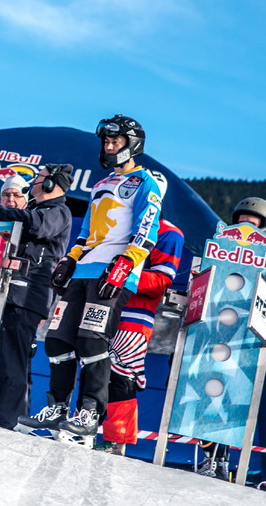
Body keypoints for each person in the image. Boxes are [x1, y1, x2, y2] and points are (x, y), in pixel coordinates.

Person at [16, 114, 162, 446]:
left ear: (132, 145)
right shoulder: (100, 184)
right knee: (56, 338)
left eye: (116, 142)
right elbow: (85, 234)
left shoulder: (144, 183)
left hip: (112, 273)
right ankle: (57, 408)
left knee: (92, 341)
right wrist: (69, 260)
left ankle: (91, 413)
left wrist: (124, 267)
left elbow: (146, 230)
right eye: (106, 142)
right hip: (83, 272)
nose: (109, 147)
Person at [195, 196, 266, 479]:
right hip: (217, 325)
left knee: (232, 394)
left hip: (246, 333)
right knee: (207, 389)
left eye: (253, 224)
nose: (245, 229)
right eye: (241, 222)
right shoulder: (224, 244)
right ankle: (211, 457)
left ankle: (221, 458)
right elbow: (207, 266)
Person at [87, 171, 183, 455]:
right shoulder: (118, 225)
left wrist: (122, 275)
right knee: (92, 366)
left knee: (121, 374)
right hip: (102, 305)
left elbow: (162, 282)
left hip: (134, 315)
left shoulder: (169, 233)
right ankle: (86, 428)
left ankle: (116, 440)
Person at [0, 166, 73, 428]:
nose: (34, 182)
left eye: (38, 179)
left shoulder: (57, 212)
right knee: (13, 362)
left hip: (27, 298)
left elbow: (35, 226)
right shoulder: (40, 210)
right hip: (13, 294)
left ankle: (11, 421)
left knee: (14, 363)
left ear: (50, 184)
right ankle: (12, 419)